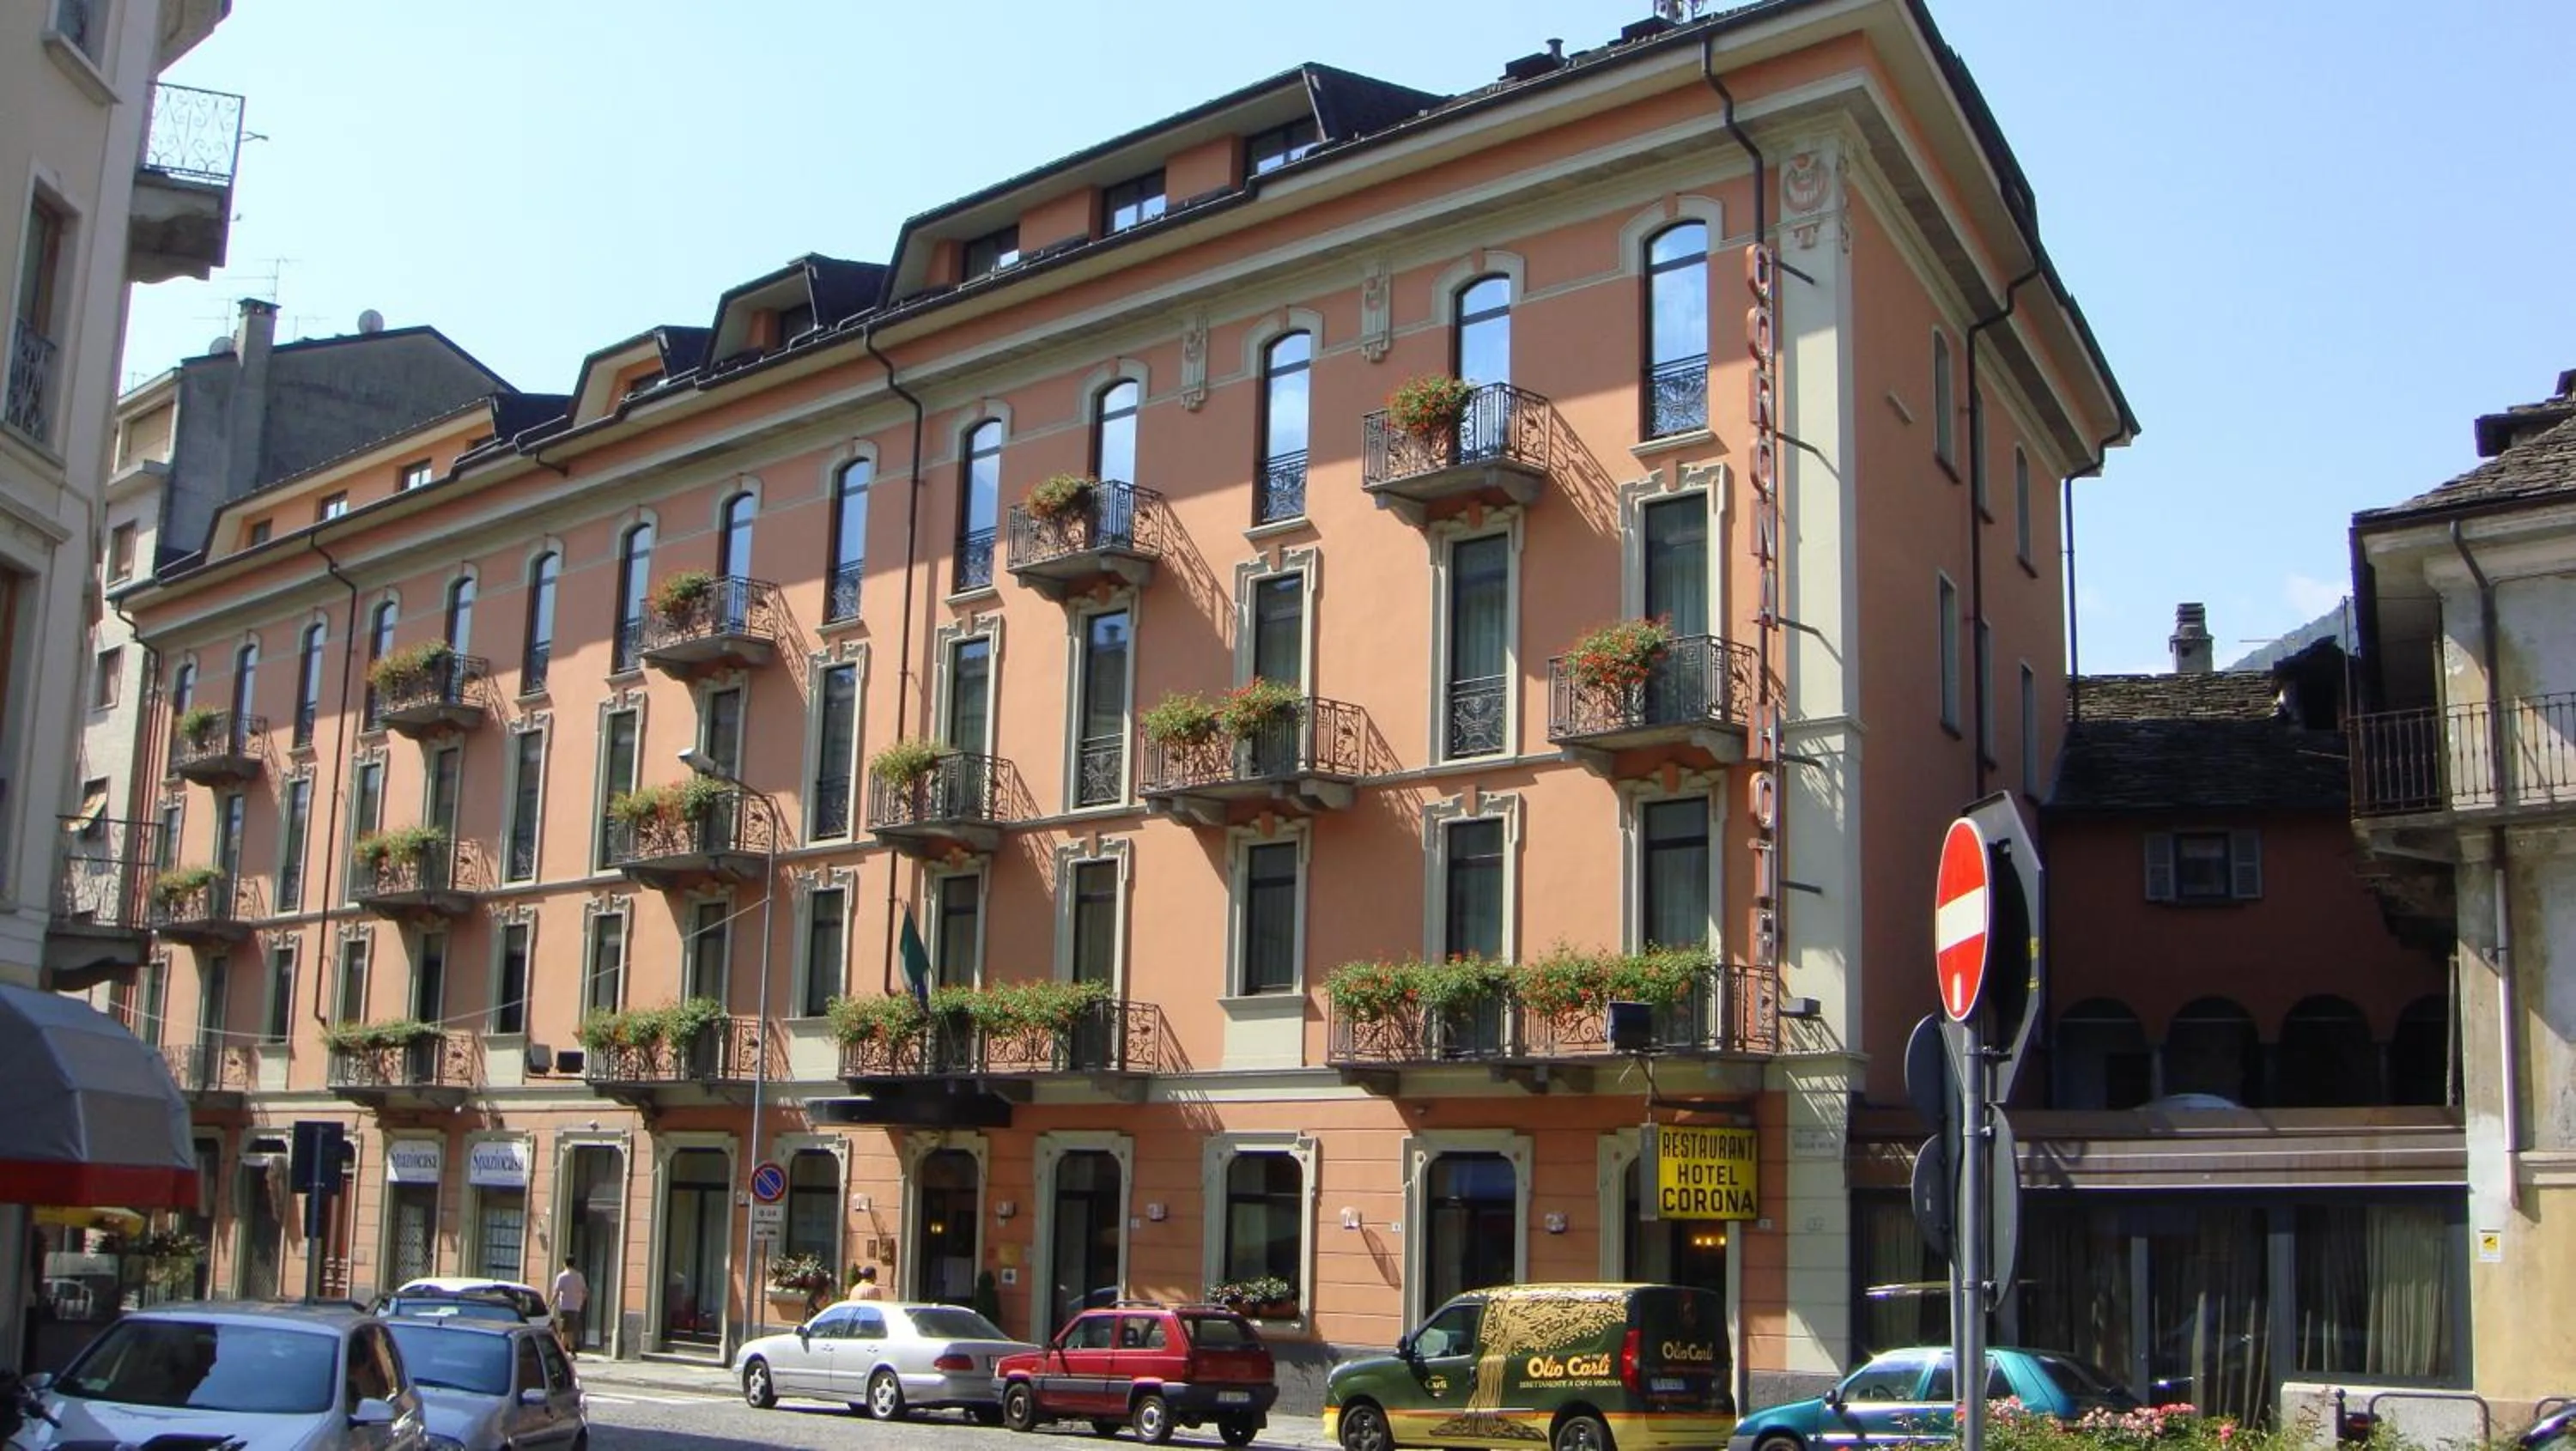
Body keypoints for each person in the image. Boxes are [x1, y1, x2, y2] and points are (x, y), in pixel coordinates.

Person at [550, 1259, 588, 1357]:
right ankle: (572, 1350)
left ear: (565, 1264)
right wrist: (580, 1303)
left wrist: (550, 1304)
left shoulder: (562, 1277)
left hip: (565, 1307)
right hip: (575, 1307)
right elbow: (585, 1291)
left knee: (565, 1331)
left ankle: (561, 1352)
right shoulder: (579, 1276)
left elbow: (557, 1292)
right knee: (569, 1329)